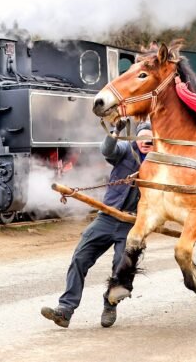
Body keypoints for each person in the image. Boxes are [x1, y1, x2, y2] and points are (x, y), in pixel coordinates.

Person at [40, 120, 154, 329]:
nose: (147, 141)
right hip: (106, 217)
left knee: (122, 267)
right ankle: (65, 310)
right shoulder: (125, 150)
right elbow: (107, 149)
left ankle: (110, 304)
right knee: (79, 258)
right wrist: (115, 131)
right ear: (136, 139)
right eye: (143, 137)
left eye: (151, 138)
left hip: (133, 224)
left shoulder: (161, 161)